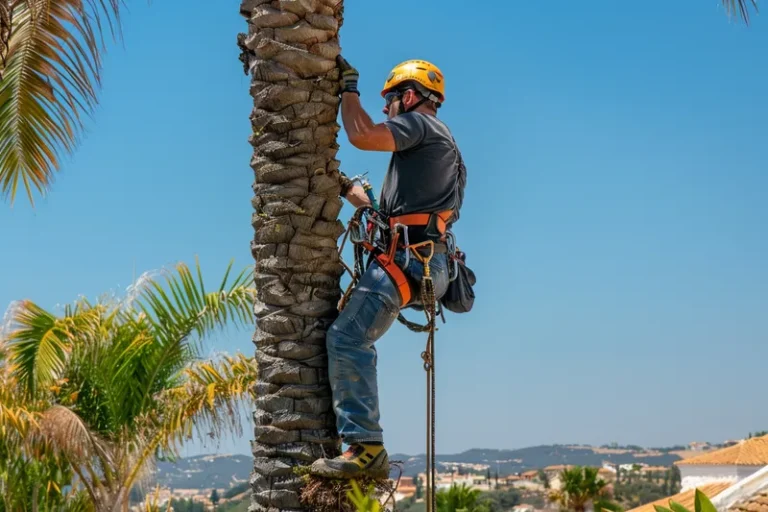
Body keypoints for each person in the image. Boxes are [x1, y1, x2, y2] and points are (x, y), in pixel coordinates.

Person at [309, 56, 467, 479]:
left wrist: (349, 88)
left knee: (346, 337)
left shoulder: (420, 125)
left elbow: (360, 134)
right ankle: (361, 441)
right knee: (351, 336)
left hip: (412, 259)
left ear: (409, 96)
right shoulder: (438, 140)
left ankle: (365, 447)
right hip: (422, 258)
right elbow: (399, 214)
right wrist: (348, 190)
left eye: (390, 100)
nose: (385, 109)